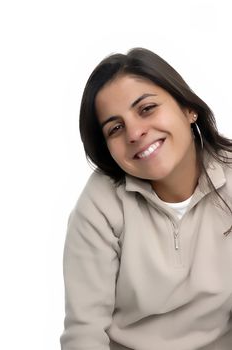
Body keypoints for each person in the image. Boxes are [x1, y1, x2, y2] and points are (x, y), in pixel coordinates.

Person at [60, 48, 232, 350]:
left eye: (147, 108)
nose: (135, 132)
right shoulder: (100, 205)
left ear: (188, 109)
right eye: (115, 128)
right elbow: (84, 332)